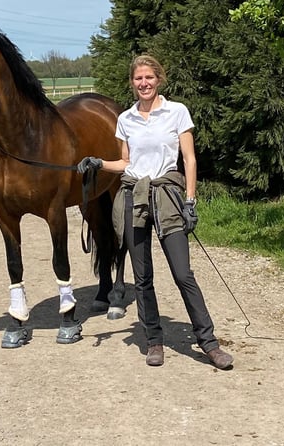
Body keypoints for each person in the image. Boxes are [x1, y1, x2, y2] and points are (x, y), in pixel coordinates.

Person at [77, 54, 233, 370]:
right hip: (134, 196)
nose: (144, 83)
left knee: (182, 273)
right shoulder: (126, 119)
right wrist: (98, 163)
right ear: (132, 83)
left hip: (167, 196)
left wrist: (191, 200)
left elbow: (189, 159)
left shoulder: (177, 112)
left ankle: (209, 343)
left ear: (158, 79)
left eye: (149, 77)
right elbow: (126, 162)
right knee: (143, 276)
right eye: (138, 79)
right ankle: (153, 341)